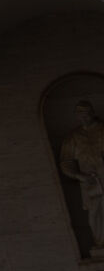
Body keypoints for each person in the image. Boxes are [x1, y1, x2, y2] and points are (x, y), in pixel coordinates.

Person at [58, 99, 104, 255]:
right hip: (90, 182)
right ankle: (101, 243)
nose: (85, 117)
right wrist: (79, 176)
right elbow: (66, 162)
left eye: (87, 113)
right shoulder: (73, 138)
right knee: (95, 213)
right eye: (80, 114)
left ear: (92, 113)